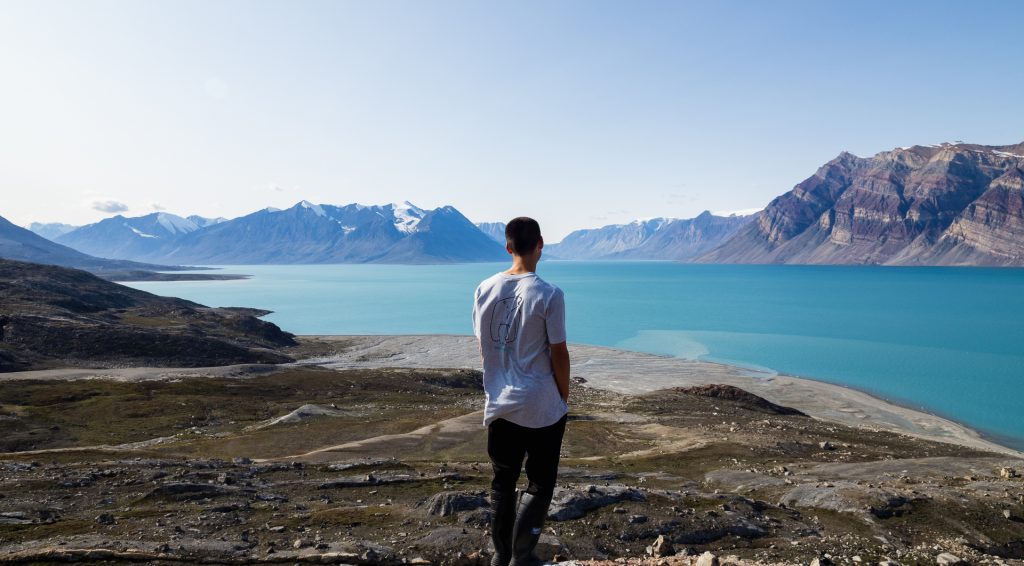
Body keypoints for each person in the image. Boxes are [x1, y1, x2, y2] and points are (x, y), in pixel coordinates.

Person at [471, 217, 570, 566]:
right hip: (541, 405)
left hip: (500, 403)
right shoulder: (549, 294)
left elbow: (485, 345)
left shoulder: (484, 289)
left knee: (503, 480)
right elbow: (558, 351)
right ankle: (522, 556)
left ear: (508, 246)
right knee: (540, 482)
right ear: (540, 245)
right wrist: (563, 396)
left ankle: (501, 555)